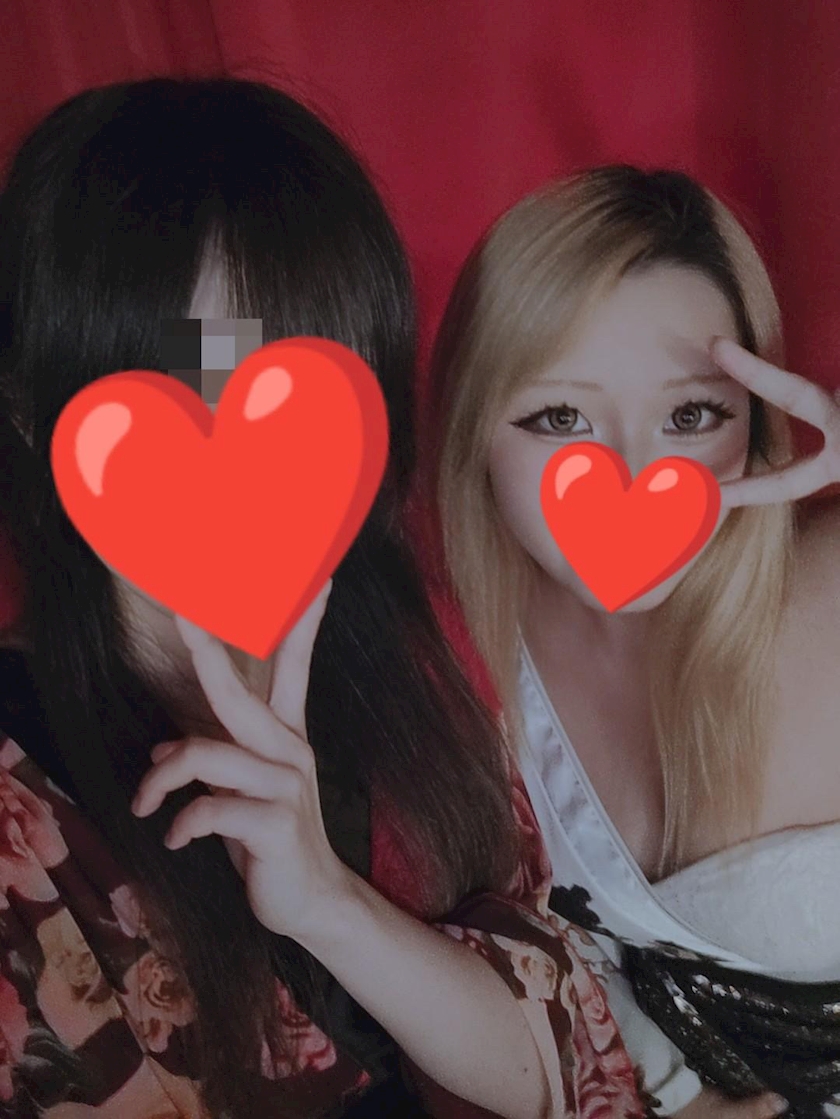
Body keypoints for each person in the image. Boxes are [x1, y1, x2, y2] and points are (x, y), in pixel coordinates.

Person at [0, 82, 654, 1119]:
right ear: (37, 409)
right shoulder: (23, 808)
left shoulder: (414, 649)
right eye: (183, 381)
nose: (245, 448)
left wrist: (331, 904)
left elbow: (568, 1057)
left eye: (304, 380)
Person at [427, 165, 840, 1119]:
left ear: (756, 421)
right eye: (560, 417)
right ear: (472, 431)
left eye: (690, 415)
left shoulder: (826, 586)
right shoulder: (463, 656)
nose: (634, 472)